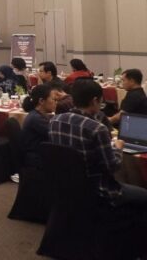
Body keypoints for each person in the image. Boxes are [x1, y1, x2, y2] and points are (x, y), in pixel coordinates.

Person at [50, 79, 147, 208]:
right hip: (98, 188)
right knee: (143, 194)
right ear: (95, 101)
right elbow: (112, 166)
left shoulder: (55, 121)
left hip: (67, 185)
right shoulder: (96, 128)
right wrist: (118, 148)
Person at [20, 83, 57, 168]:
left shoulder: (36, 114)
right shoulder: (36, 119)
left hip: (37, 154)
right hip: (37, 158)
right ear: (41, 101)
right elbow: (56, 136)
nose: (56, 102)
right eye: (53, 99)